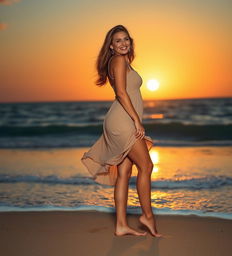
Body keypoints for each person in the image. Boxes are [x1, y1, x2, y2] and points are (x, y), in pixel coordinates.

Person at [81, 25, 162, 237]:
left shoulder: (123, 62)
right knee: (147, 165)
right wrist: (137, 120)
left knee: (125, 173)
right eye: (118, 40)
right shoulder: (117, 60)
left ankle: (121, 225)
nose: (123, 43)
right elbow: (121, 93)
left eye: (126, 39)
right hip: (123, 121)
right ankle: (148, 216)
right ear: (111, 45)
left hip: (123, 120)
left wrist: (135, 119)